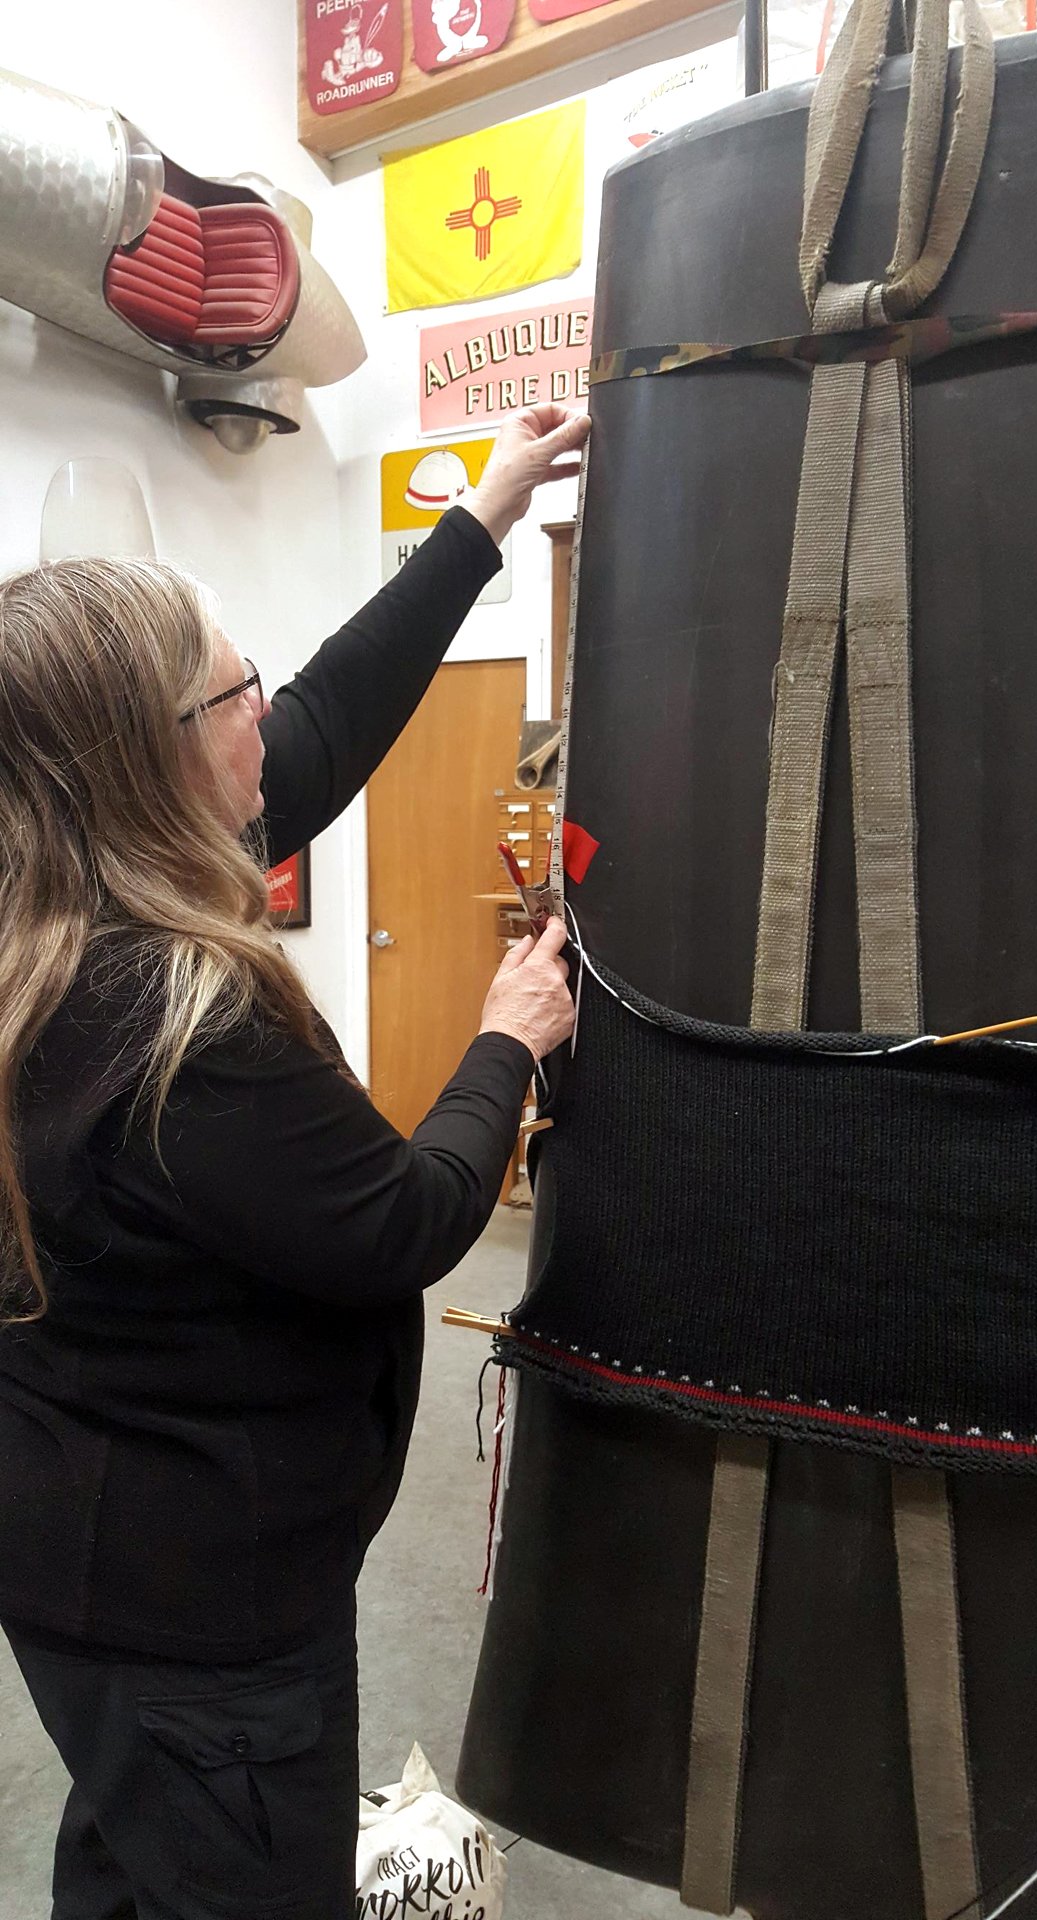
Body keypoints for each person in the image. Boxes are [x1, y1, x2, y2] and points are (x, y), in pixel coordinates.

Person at [0, 404, 589, 1920]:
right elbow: (400, 1222)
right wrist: (506, 1036)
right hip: (205, 1603)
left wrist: (486, 517)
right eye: (234, 687)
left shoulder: (49, 894)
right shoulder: (173, 1014)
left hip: (88, 1560)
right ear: (161, 757)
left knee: (133, 1853)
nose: (268, 706)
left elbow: (325, 723)